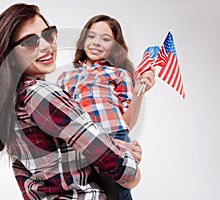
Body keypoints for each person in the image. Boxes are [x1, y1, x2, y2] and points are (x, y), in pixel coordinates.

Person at [0, 3, 142, 200]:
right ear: (11, 57)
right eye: (30, 41)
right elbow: (126, 173)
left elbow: (56, 161)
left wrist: (114, 144)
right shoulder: (42, 94)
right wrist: (129, 165)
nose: (46, 46)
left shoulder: (12, 100)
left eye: (48, 35)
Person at [56, 15, 155, 199]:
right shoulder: (65, 77)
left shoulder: (119, 74)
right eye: (91, 36)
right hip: (79, 144)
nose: (96, 43)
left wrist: (139, 93)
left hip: (112, 138)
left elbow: (127, 122)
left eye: (106, 39)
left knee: (116, 194)